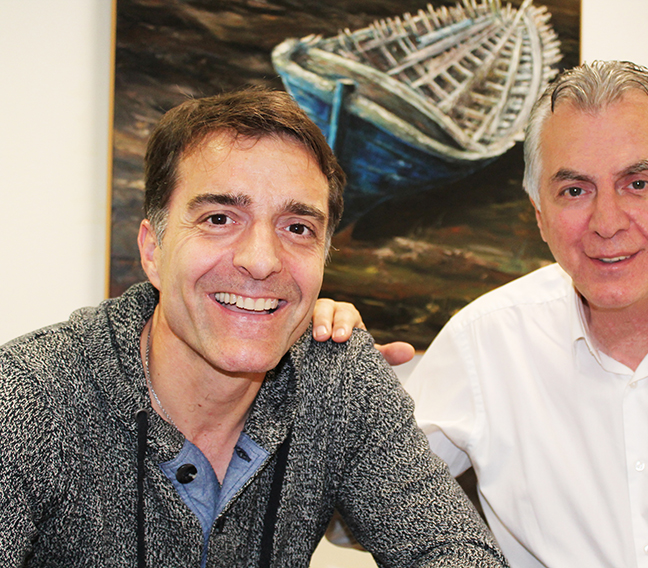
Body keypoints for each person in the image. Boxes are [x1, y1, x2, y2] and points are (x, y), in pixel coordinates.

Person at [317, 61, 648, 567]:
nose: (607, 223)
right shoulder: (485, 342)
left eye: (637, 184)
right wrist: (345, 402)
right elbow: (354, 522)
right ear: (539, 213)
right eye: (575, 191)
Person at [0, 88, 508, 568]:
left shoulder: (337, 375)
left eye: (297, 228)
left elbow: (452, 550)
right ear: (153, 251)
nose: (262, 261)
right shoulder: (30, 394)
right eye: (219, 218)